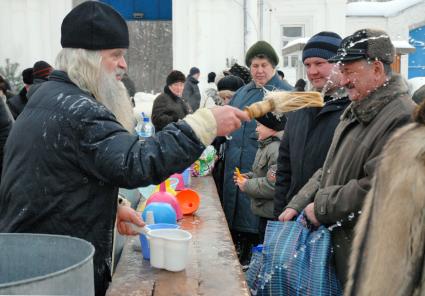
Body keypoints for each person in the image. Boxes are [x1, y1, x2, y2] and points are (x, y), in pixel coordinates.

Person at [0, 2, 249, 295]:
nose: (124, 64)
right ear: (87, 59)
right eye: (115, 55)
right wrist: (203, 125)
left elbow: (59, 175)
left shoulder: (51, 98)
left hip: (37, 259)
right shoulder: (79, 110)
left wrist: (112, 206)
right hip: (55, 272)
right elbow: (137, 162)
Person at [279, 28, 415, 287]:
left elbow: (380, 187)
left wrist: (322, 208)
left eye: (349, 71)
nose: (342, 80)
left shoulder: (400, 118)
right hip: (343, 247)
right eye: (341, 71)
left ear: (376, 69)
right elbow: (329, 167)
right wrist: (296, 204)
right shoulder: (357, 108)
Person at [222, 40, 292, 265]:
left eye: (264, 65)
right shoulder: (242, 92)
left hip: (265, 170)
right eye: (254, 65)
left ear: (273, 66)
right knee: (233, 218)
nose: (259, 70)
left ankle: (253, 257)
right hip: (236, 164)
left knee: (256, 223)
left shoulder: (285, 94)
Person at [345, 100, 425, 296]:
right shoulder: (412, 145)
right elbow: (392, 255)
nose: (347, 81)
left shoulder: (404, 130)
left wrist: (324, 203)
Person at [274, 31, 350, 218]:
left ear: (340, 65)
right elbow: (284, 167)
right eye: (307, 64)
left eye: (320, 63)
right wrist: (280, 210)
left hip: (330, 218)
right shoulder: (301, 108)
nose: (312, 71)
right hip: (293, 214)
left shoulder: (352, 110)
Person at [234, 117, 284, 241]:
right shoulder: (266, 145)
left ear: (272, 128)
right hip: (265, 211)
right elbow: (263, 174)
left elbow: (274, 185)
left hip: (272, 216)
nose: (256, 129)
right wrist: (249, 177)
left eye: (259, 125)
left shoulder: (276, 149)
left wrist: (247, 185)